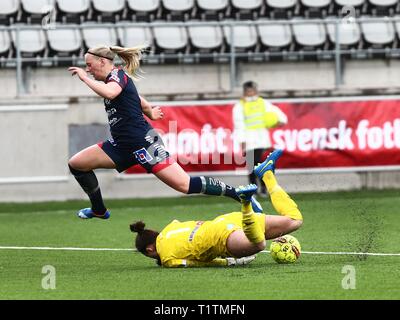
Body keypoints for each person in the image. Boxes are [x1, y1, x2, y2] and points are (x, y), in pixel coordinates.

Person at [67, 45, 262, 219]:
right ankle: (99, 209)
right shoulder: (115, 79)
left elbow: (111, 92)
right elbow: (135, 96)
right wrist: (149, 110)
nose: (87, 70)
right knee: (77, 164)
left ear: (102, 61)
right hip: (121, 146)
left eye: (89, 65)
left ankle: (237, 193)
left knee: (184, 185)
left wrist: (84, 79)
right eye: (86, 68)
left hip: (145, 143)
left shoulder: (117, 76)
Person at [130, 149, 303, 267]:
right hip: (224, 220)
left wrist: (230, 261)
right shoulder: (171, 226)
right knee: (295, 220)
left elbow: (198, 263)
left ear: (150, 249)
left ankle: (246, 204)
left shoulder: (167, 258)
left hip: (222, 238)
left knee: (259, 244)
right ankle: (267, 174)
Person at [232, 81, 288, 196]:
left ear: (256, 90)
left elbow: (279, 115)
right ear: (245, 92)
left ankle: (262, 188)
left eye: (252, 90)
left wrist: (280, 122)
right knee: (252, 165)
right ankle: (254, 189)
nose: (250, 92)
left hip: (262, 139)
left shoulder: (263, 103)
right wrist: (242, 141)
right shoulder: (240, 106)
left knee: (259, 164)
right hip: (249, 139)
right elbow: (239, 125)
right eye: (248, 90)